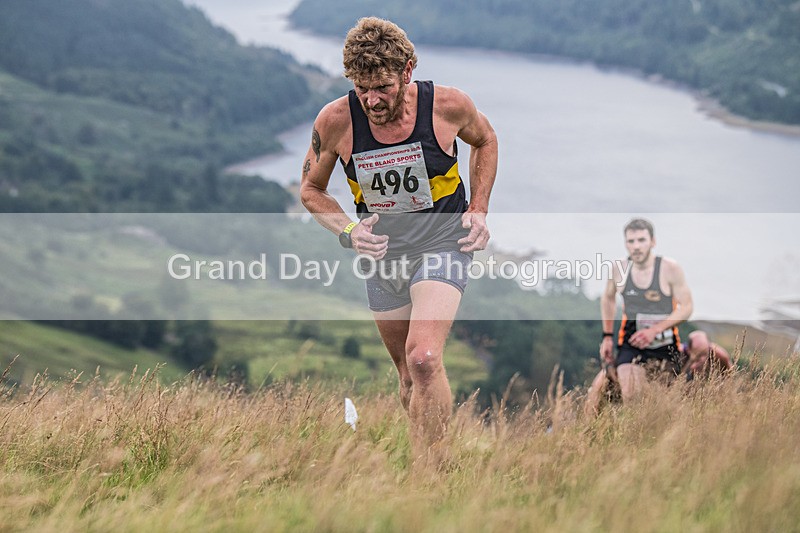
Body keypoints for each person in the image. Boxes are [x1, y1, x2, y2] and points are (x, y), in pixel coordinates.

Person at [299, 17, 497, 455]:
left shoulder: (447, 106)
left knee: (424, 359)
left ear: (408, 70)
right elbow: (311, 191)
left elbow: (485, 140)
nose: (371, 100)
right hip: (384, 254)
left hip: (444, 240)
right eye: (361, 87)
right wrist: (350, 230)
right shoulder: (335, 121)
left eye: (382, 87)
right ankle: (422, 460)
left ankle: (433, 471)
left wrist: (479, 209)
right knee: (409, 380)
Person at [599, 218, 693, 403]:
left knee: (662, 403)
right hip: (631, 345)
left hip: (666, 348)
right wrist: (607, 336)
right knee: (627, 394)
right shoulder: (619, 269)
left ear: (653, 241)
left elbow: (687, 307)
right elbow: (608, 298)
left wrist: (654, 331)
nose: (636, 246)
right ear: (625, 243)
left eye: (641, 240)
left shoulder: (669, 268)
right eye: (631, 241)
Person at [585, 329, 731, 415]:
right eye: (697, 356)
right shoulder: (676, 356)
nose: (701, 360)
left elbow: (730, 376)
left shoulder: (719, 356)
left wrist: (723, 397)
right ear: (689, 350)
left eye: (705, 355)